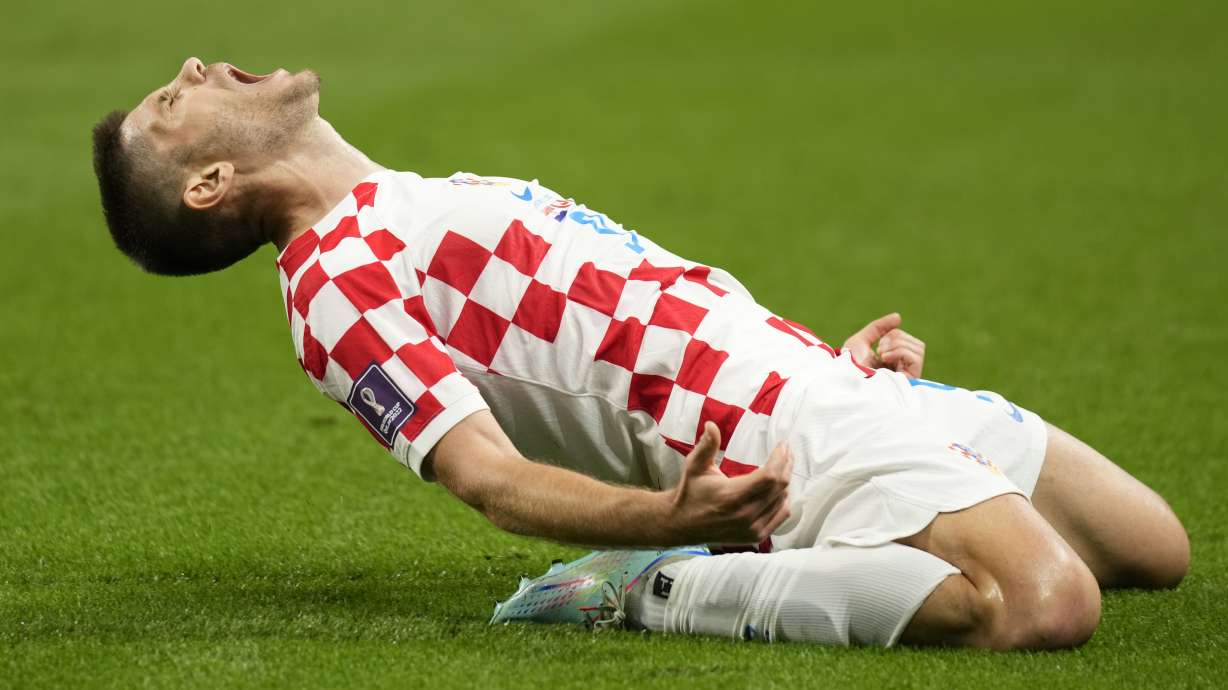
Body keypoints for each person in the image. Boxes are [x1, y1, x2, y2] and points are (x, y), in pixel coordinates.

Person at [91, 57, 1189, 650]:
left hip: (814, 378)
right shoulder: (333, 286)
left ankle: (768, 546)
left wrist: (826, 353)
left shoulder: (415, 195)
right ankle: (654, 588)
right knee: (1043, 604)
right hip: (763, 432)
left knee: (1149, 548)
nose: (189, 67)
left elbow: (643, 316)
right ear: (207, 188)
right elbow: (489, 478)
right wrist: (668, 523)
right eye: (166, 105)